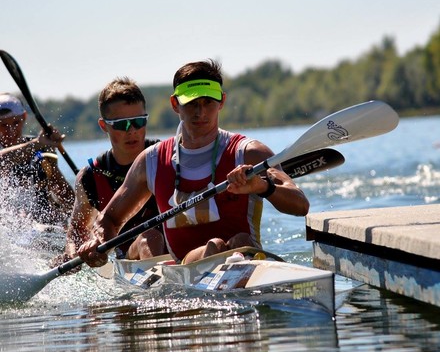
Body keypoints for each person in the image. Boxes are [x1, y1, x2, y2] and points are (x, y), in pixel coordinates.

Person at [77, 59, 309, 268]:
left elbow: (301, 205)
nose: (200, 112)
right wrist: (98, 242)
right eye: (191, 103)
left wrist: (263, 187)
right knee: (217, 245)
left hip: (246, 258)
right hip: (187, 267)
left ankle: (232, 260)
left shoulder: (249, 153)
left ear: (222, 101)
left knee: (240, 241)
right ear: (175, 104)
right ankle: (219, 256)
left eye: (208, 102)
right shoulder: (152, 160)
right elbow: (109, 219)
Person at [56, 77, 165, 265]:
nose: (132, 131)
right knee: (150, 237)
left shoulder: (165, 155)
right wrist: (73, 253)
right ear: (103, 126)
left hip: (175, 247)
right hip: (132, 254)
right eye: (122, 124)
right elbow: (77, 230)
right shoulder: (90, 177)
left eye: (138, 121)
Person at [0, 92, 75, 225]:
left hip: (42, 226)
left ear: (24, 117)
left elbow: (69, 200)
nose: (10, 130)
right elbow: (2, 160)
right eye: (3, 125)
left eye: (16, 123)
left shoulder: (41, 149)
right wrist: (38, 144)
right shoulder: (37, 144)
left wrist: (52, 166)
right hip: (10, 226)